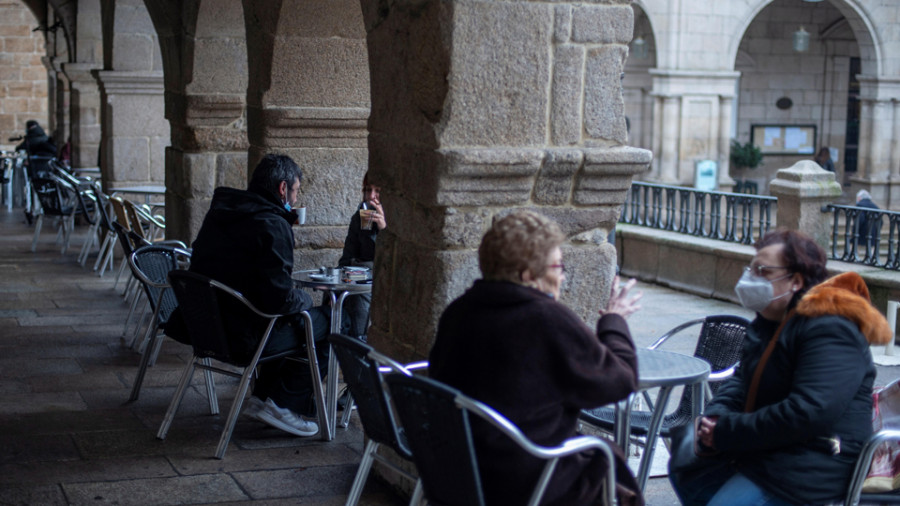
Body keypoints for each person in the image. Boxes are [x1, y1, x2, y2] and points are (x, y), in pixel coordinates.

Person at [429, 210, 645, 506]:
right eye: (558, 266)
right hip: (527, 481)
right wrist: (614, 321)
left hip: (460, 474)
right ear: (528, 275)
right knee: (608, 464)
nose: (562, 275)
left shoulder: (459, 311)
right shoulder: (547, 319)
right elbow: (620, 381)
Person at [669, 229, 892, 505]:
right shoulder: (771, 320)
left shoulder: (830, 326)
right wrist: (716, 418)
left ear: (795, 281)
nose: (750, 278)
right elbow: (741, 381)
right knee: (686, 466)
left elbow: (808, 412)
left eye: (762, 271)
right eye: (750, 268)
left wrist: (728, 431)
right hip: (768, 451)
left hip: (812, 465)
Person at [186, 153, 347, 437]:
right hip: (244, 339)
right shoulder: (271, 224)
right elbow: (279, 300)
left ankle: (263, 398)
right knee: (334, 322)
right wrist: (305, 299)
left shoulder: (222, 213)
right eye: (296, 191)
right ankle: (282, 403)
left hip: (207, 330)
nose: (296, 200)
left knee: (296, 320)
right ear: (283, 189)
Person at [337, 171, 386, 339]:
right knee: (333, 295)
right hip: (359, 274)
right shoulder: (358, 218)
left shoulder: (397, 219)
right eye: (367, 190)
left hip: (384, 279)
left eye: (377, 191)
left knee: (360, 297)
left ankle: (358, 344)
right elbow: (347, 256)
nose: (371, 197)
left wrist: (383, 230)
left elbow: (395, 259)